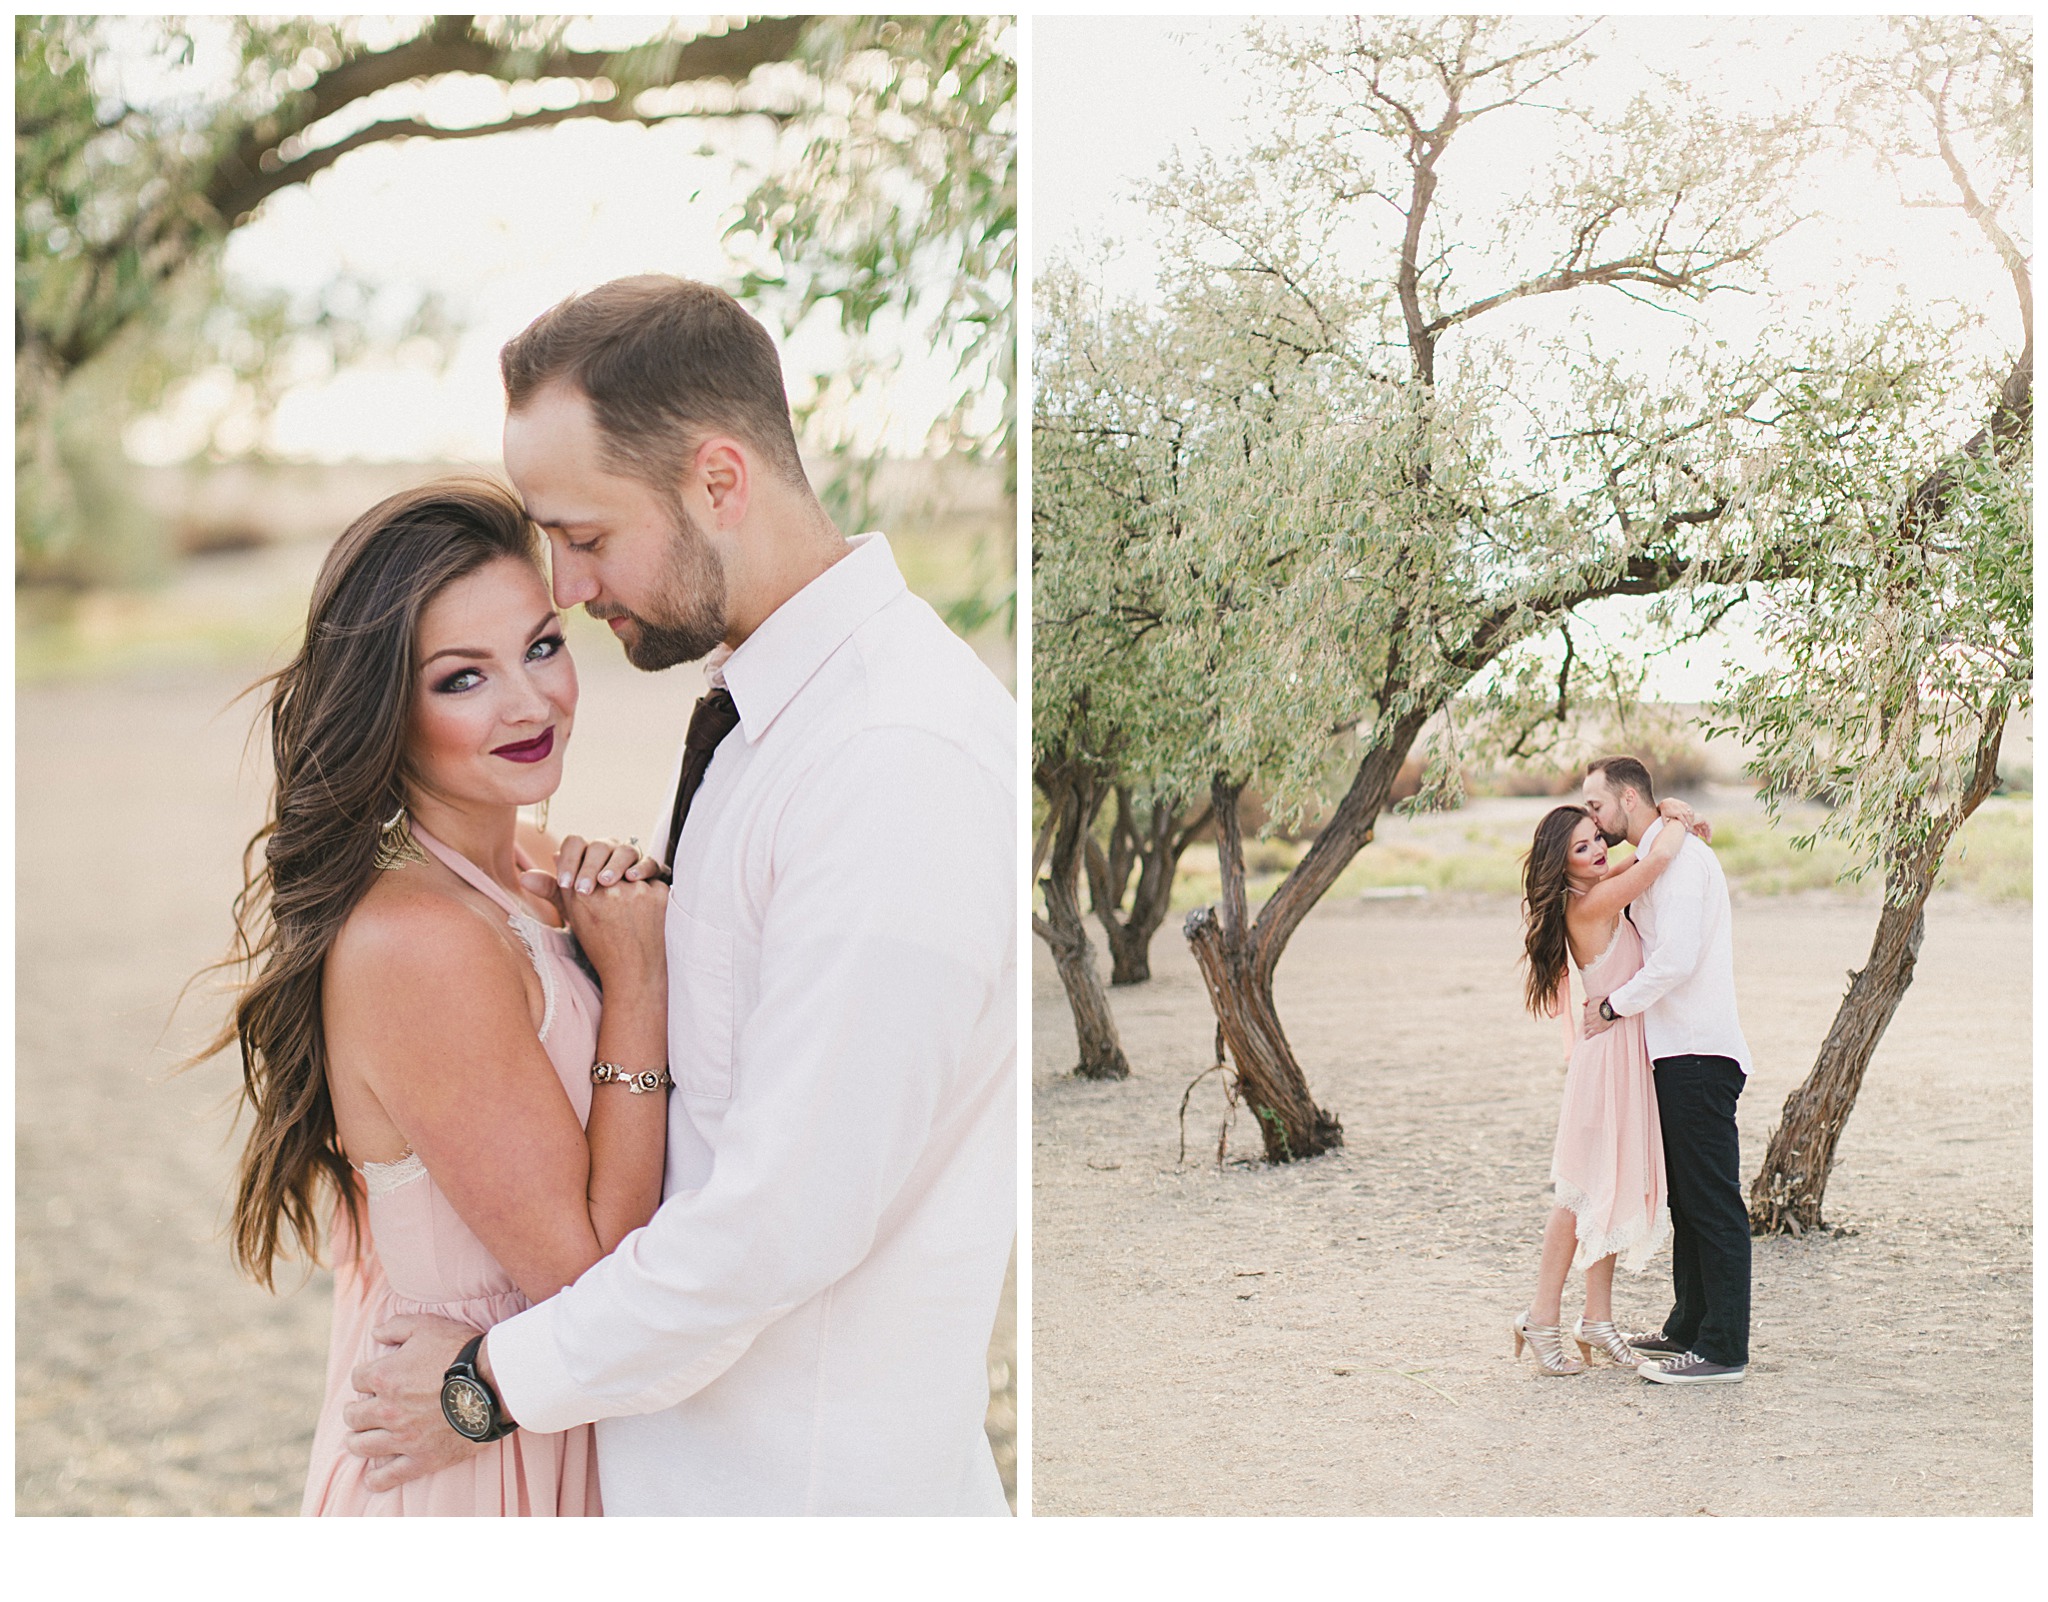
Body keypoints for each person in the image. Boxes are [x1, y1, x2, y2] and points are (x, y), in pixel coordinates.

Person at [339, 276, 1018, 1514]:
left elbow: (781, 1222)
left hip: (790, 1498)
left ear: (718, 481)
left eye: (587, 539)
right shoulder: (756, 713)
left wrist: (487, 1386)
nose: (570, 587)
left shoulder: (894, 760)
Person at [209, 478, 674, 1514]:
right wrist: (637, 982)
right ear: (387, 706)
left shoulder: (541, 871)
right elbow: (590, 1276)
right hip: (467, 1471)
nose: (529, 702)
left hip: (556, 1430)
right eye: (463, 678)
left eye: (542, 646)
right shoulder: (416, 940)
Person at [1580, 755, 1753, 1386]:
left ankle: (1723, 1348)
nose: (1592, 821)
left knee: (1713, 1202)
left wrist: (1610, 1006)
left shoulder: (1679, 860)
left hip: (1699, 1053)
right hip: (1676, 1050)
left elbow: (1675, 959)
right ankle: (1687, 1327)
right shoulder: (1660, 847)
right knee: (1689, 1198)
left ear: (1628, 798)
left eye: (1596, 806)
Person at [1514, 794, 1702, 1376]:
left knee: (1612, 1186)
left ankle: (1597, 1320)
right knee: (1577, 1194)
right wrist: (1677, 820)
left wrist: (1670, 824)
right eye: (1581, 847)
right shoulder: (1590, 904)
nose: (1597, 850)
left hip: (1625, 1051)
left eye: (1596, 837)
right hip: (1606, 1059)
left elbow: (1634, 864)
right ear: (1561, 864)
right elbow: (1652, 865)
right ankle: (1540, 1317)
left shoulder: (1592, 888)